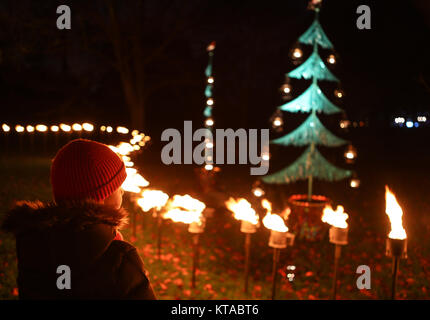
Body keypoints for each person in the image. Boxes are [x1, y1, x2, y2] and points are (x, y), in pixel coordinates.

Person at [1, 139, 156, 300]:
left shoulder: (33, 246)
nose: (122, 192)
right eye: (118, 187)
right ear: (101, 196)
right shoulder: (119, 259)